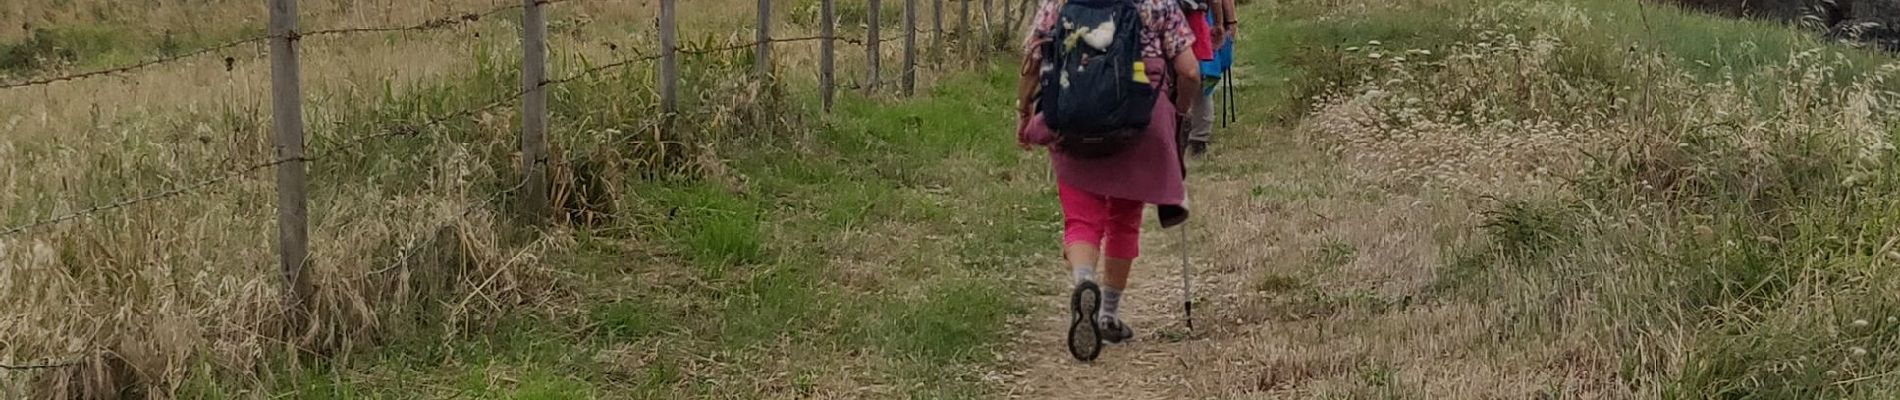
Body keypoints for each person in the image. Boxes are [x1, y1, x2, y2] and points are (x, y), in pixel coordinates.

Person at [1016, 0, 1201, 358]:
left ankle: (1084, 281)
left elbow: (1033, 59)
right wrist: (1178, 112)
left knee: (1082, 219)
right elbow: (1190, 71)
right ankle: (1108, 316)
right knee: (1124, 220)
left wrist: (1023, 110)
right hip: (1138, 118)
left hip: (1073, 118)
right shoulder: (1157, 2)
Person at [1187, 0, 1237, 156]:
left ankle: (1180, 125)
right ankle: (1198, 138)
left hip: (1160, 16)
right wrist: (1225, 23)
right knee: (1203, 78)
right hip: (1199, 18)